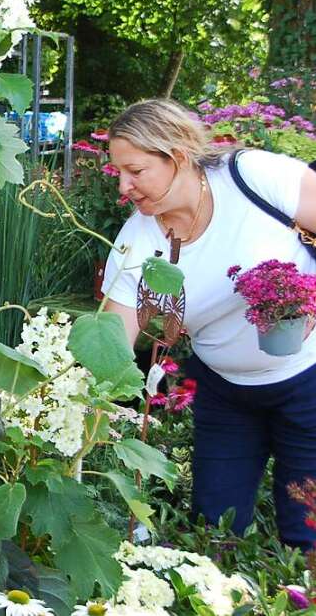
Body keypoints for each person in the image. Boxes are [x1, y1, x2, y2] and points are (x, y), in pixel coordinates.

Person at [102, 98, 316, 547]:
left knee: (308, 531)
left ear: (177, 156)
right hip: (225, 393)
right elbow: (109, 344)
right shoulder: (138, 239)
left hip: (308, 384)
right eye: (119, 172)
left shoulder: (253, 177)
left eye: (135, 171)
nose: (123, 186)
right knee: (214, 530)